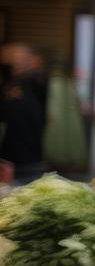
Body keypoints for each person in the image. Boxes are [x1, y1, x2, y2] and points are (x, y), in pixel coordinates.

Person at [0, 42, 49, 182]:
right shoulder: (10, 84)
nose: (16, 63)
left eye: (20, 58)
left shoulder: (36, 80)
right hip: (11, 158)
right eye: (13, 59)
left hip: (32, 159)